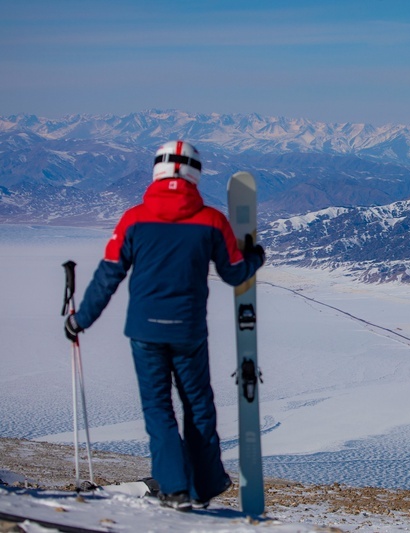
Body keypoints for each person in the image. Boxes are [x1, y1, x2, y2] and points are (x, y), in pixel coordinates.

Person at [64, 140, 265, 511]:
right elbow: (235, 273)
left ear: (156, 170)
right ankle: (205, 486)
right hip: (188, 332)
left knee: (158, 410)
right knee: (198, 407)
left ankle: (174, 490)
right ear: (195, 173)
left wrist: (80, 321)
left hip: (145, 332)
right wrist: (255, 258)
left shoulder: (133, 219)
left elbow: (108, 276)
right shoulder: (212, 221)